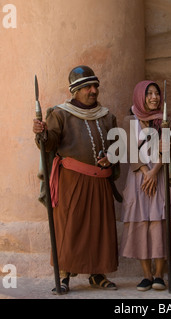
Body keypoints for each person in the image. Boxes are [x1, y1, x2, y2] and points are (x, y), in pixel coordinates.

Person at [33, 65, 120, 294]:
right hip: (71, 182)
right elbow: (49, 143)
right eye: (87, 87)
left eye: (95, 86)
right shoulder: (60, 114)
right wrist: (41, 133)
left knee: (99, 229)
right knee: (69, 230)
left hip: (100, 182)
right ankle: (64, 276)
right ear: (75, 90)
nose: (93, 91)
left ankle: (97, 274)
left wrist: (110, 159)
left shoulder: (108, 116)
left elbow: (117, 148)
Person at [119, 80, 171, 291]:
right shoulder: (130, 121)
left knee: (159, 222)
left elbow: (169, 149)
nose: (154, 97)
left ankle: (160, 274)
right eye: (149, 94)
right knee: (140, 222)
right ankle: (146, 275)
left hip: (159, 176)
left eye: (157, 93)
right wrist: (145, 172)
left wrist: (154, 171)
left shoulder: (165, 121)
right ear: (140, 96)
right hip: (138, 178)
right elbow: (130, 150)